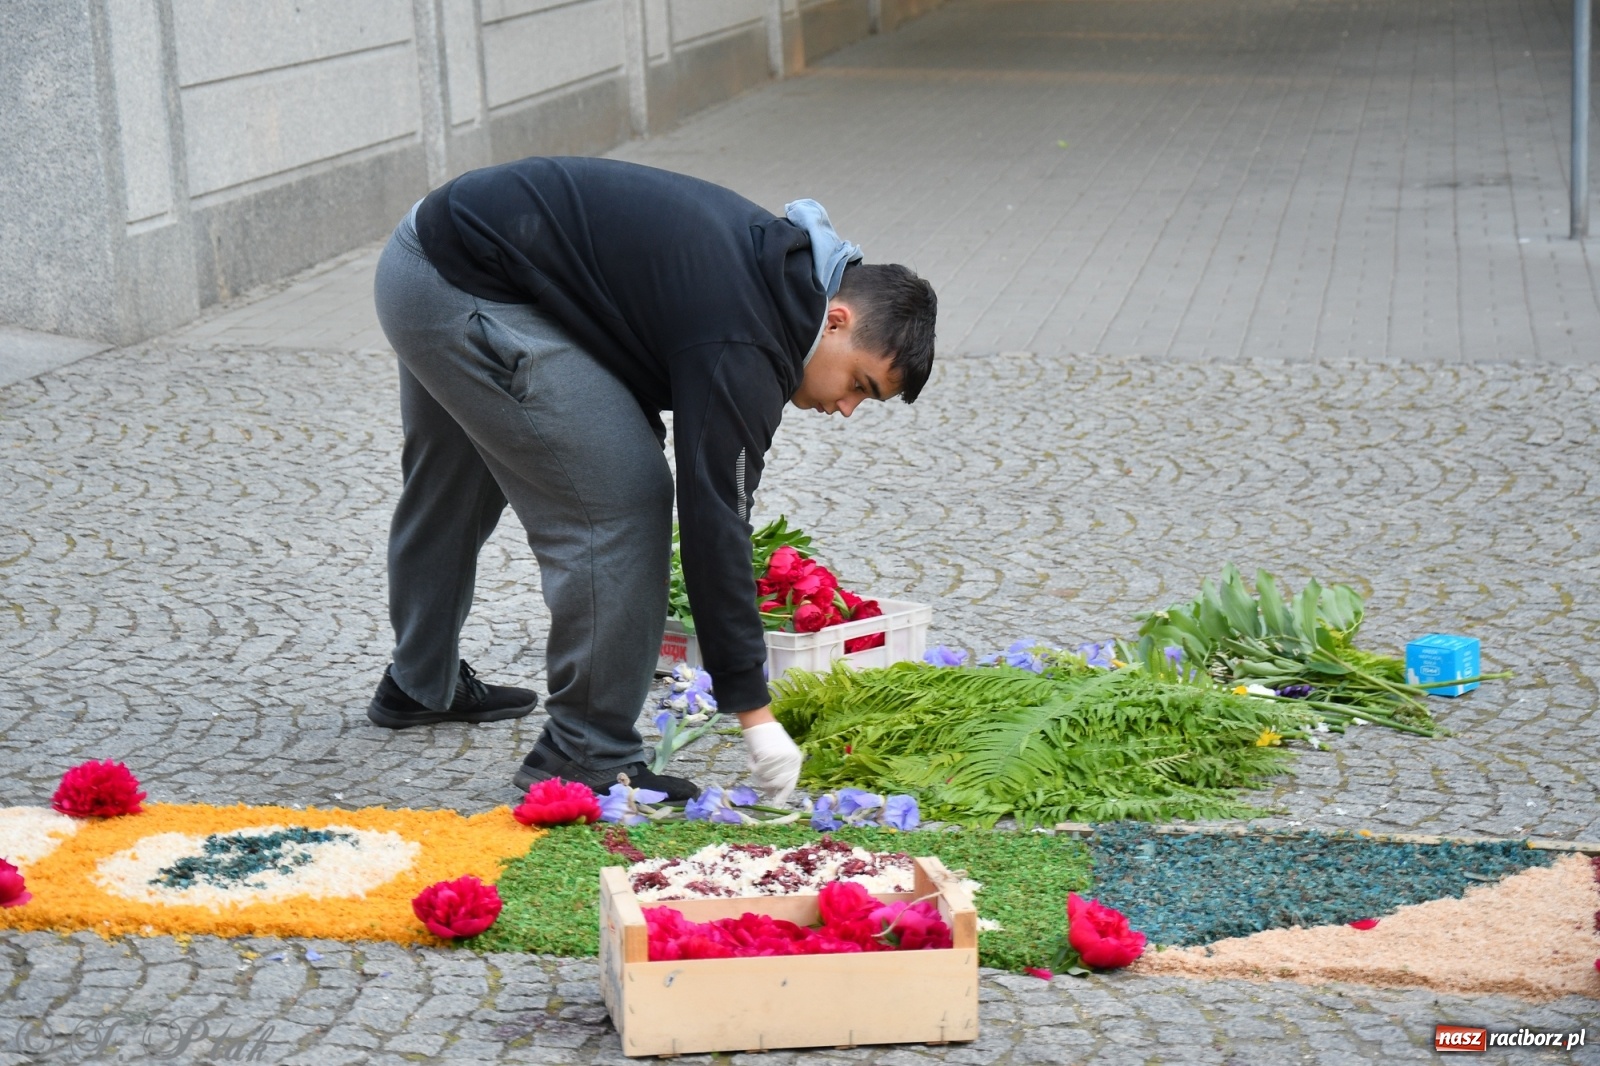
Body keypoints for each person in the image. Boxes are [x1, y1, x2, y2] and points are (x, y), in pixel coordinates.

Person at [363, 156, 937, 805]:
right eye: (858, 384)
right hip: (465, 288)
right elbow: (714, 518)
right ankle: (587, 752)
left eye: (868, 402)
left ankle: (418, 683)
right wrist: (755, 713)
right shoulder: (749, 340)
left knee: (454, 481)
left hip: (428, 255)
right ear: (836, 319)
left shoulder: (782, 272)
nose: (845, 409)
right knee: (625, 501)